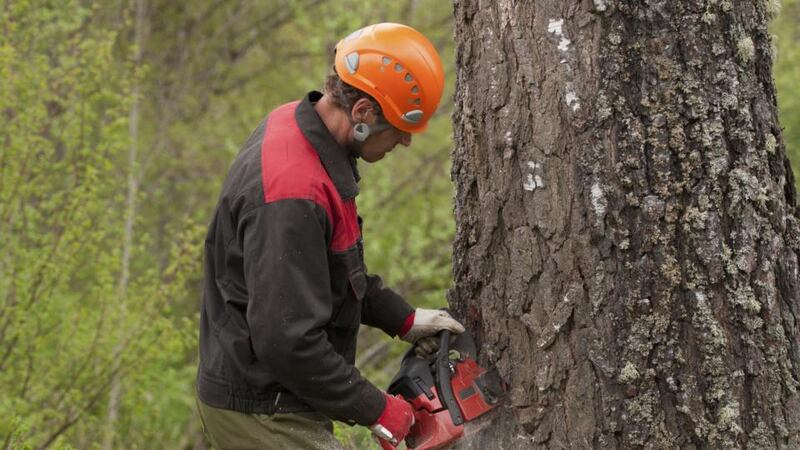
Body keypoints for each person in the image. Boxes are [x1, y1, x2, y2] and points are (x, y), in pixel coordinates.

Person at [195, 22, 465, 449]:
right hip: (260, 409)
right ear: (362, 114)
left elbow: (321, 269)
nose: (407, 142)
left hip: (273, 394)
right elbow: (285, 339)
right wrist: (377, 409)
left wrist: (401, 318)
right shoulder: (293, 192)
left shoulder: (303, 132)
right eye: (399, 127)